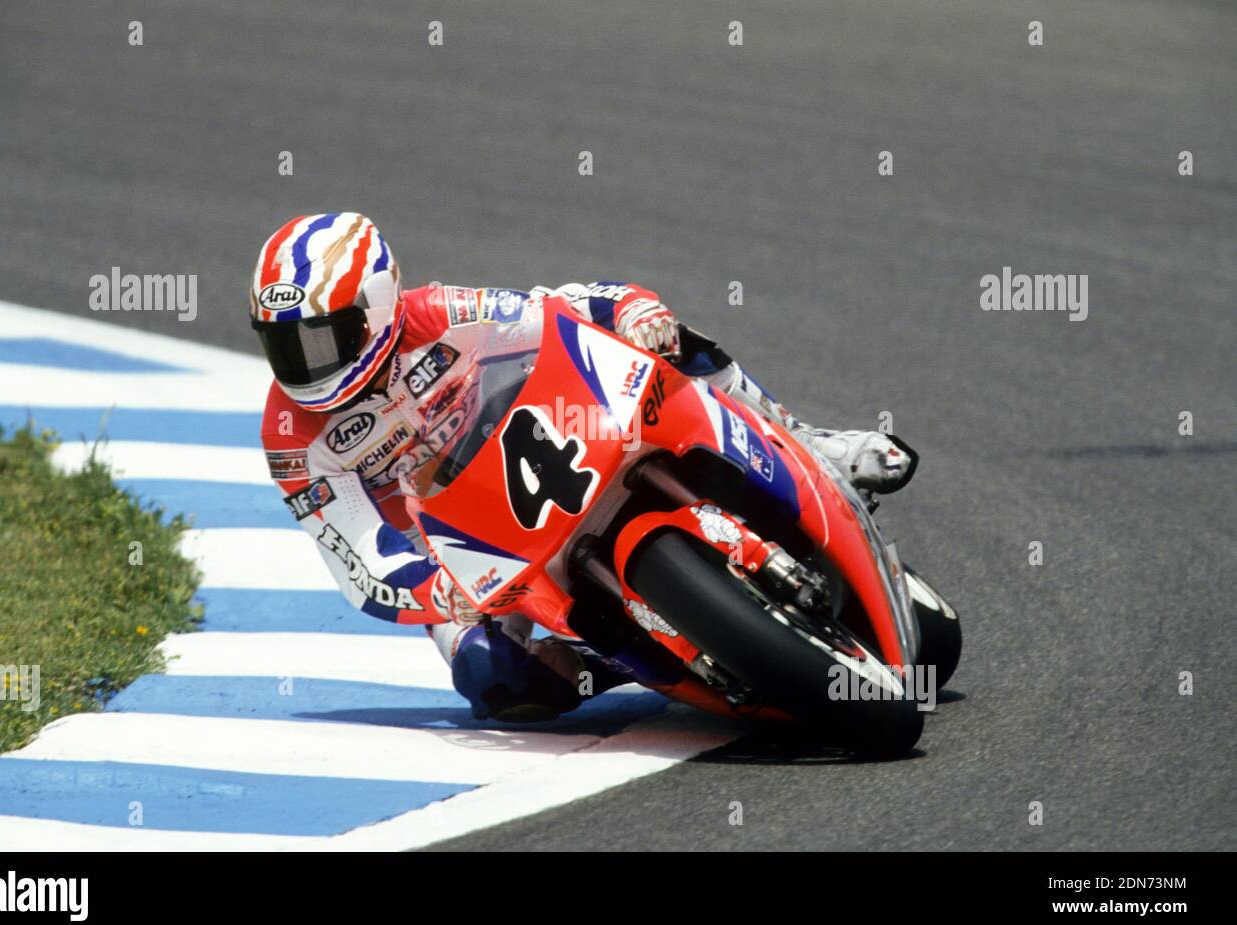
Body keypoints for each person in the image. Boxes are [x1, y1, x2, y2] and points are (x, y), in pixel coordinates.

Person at [251, 212, 915, 721]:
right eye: (284, 344)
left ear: (376, 310)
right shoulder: (289, 432)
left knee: (674, 345)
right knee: (495, 682)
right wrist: (435, 587)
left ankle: (810, 442)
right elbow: (357, 557)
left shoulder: (440, 314)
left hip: (548, 445)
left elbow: (556, 308)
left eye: (319, 338)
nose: (305, 364)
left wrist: (631, 310)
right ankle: (631, 658)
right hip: (460, 554)